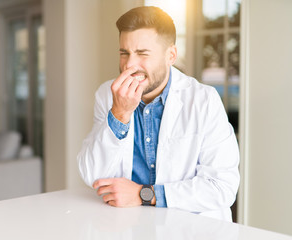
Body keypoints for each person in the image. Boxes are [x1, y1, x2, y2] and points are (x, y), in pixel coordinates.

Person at [77, 6, 240, 222]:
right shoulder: (108, 96)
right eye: (124, 53)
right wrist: (119, 114)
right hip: (129, 226)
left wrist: (144, 194)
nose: (129, 65)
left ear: (170, 55)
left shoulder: (204, 100)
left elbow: (222, 187)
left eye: (142, 54)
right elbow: (92, 176)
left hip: (191, 229)